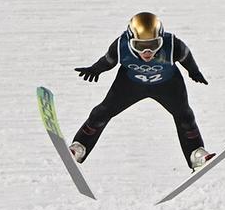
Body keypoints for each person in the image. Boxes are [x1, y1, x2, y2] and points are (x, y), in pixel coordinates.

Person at [70, 12, 214, 171]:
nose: (147, 52)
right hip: (130, 85)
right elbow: (108, 61)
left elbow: (187, 58)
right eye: (139, 46)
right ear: (130, 39)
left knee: (185, 116)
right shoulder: (121, 45)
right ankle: (79, 148)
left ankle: (196, 155)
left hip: (168, 85)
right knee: (101, 112)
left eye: (154, 45)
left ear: (162, 38)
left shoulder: (173, 45)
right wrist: (95, 69)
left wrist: (194, 71)